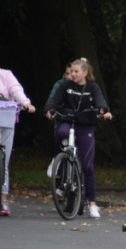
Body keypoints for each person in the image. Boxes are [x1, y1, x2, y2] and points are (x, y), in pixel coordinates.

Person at [44, 58, 113, 219]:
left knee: (88, 166)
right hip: (68, 121)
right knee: (61, 132)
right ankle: (58, 159)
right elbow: (54, 100)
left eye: (76, 71)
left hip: (86, 124)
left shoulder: (92, 87)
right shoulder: (65, 86)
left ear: (85, 73)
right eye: (71, 71)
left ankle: (92, 204)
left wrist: (104, 110)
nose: (72, 74)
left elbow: (100, 101)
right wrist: (49, 109)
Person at [0, 66, 36, 216]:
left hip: (6, 118)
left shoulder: (5, 75)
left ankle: (3, 200)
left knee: (4, 161)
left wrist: (25, 103)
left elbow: (16, 89)